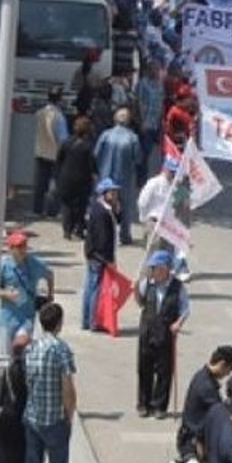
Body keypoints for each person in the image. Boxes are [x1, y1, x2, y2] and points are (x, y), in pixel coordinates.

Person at [135, 250, 189, 418]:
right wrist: (135, 289)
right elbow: (140, 302)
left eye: (158, 268)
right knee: (145, 368)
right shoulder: (147, 284)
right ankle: (144, 404)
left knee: (164, 370)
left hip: (166, 332)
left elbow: (185, 309)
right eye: (153, 268)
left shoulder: (178, 287)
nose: (155, 272)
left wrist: (178, 323)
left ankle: (159, 406)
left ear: (166, 269)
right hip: (147, 330)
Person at [23, 303, 77, 463]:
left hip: (32, 416)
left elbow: (27, 380)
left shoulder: (31, 348)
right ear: (59, 323)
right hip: (55, 419)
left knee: (32, 460)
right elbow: (67, 386)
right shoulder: (61, 349)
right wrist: (69, 413)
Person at [174, 345, 232, 463]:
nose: (228, 374)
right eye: (229, 370)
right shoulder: (206, 386)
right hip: (192, 442)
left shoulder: (204, 376)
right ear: (222, 364)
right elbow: (221, 417)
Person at [0, 231, 53, 357]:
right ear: (10, 248)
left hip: (27, 317)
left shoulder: (34, 263)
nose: (22, 250)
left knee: (21, 348)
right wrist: (5, 294)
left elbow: (49, 274)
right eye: (18, 246)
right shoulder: (4, 266)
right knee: (6, 357)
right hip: (7, 318)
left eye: (24, 245)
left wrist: (50, 295)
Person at [94, 107, 143, 244]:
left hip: (105, 175)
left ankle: (102, 233)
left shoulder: (105, 135)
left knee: (103, 205)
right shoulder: (132, 137)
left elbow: (96, 154)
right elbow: (138, 158)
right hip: (125, 177)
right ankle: (124, 235)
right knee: (126, 207)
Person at [0, 331, 32, 463]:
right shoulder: (28, 371)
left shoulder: (8, 369)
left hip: (5, 418)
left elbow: (0, 398)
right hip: (21, 420)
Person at [82, 178, 121, 331]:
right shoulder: (101, 213)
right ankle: (93, 322)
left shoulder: (102, 208)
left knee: (90, 287)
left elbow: (116, 221)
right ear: (104, 193)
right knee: (95, 289)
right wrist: (108, 261)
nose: (115, 194)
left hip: (94, 254)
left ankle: (86, 320)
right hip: (98, 256)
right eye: (112, 192)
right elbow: (102, 240)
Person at [56, 116, 97, 240]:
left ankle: (67, 230)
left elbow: (59, 160)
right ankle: (79, 230)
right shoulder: (88, 146)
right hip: (82, 180)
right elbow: (92, 165)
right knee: (81, 206)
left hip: (66, 178)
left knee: (66, 205)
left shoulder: (66, 143)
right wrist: (95, 176)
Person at [32, 86, 68, 219]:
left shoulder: (38, 113)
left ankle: (37, 209)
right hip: (55, 154)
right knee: (54, 184)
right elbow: (63, 138)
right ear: (60, 99)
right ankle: (52, 211)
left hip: (40, 151)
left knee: (39, 183)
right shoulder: (59, 117)